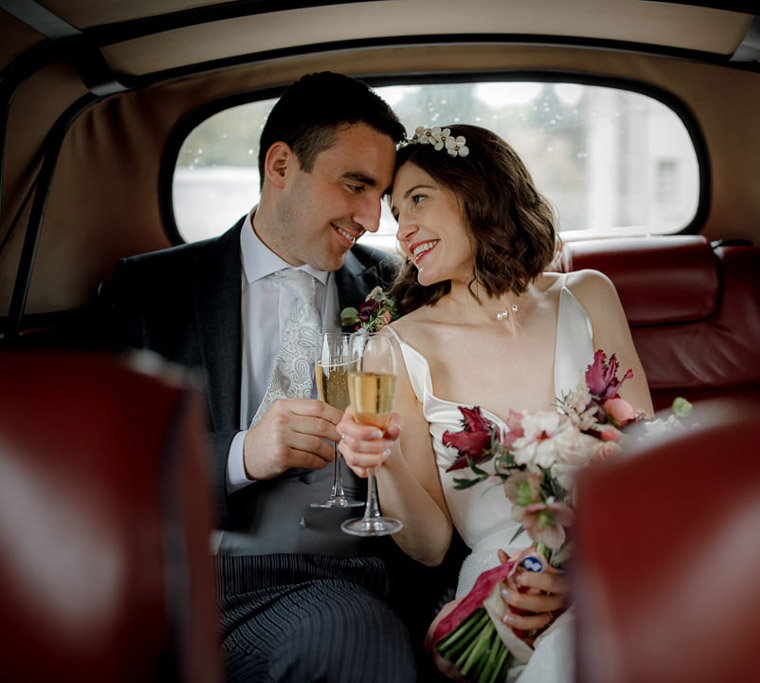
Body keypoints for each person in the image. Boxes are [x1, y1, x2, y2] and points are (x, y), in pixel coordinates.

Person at [97, 72, 421, 682]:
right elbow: (102, 464)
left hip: (360, 572)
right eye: (355, 186)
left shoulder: (397, 289)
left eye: (382, 195)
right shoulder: (152, 291)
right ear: (280, 165)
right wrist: (241, 454)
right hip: (202, 574)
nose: (373, 219)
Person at [337, 124, 654, 681]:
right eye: (395, 214)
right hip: (506, 588)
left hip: (624, 561)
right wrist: (382, 459)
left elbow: (650, 465)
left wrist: (589, 575)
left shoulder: (589, 295)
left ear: (476, 191)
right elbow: (431, 546)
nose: (402, 230)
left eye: (417, 200)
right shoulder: (394, 347)